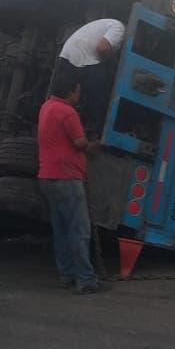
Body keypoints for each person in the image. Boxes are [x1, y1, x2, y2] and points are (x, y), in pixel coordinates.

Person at [37, 71, 106, 294]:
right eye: (78, 90)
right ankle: (86, 280)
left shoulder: (47, 107)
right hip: (66, 178)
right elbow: (79, 142)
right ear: (70, 92)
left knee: (61, 229)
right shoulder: (68, 112)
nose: (80, 94)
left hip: (47, 176)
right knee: (80, 230)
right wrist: (93, 145)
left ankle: (66, 275)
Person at [56, 17, 125, 133]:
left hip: (67, 55)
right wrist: (111, 62)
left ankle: (62, 127)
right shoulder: (119, 28)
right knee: (99, 95)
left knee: (68, 96)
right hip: (83, 57)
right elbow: (102, 48)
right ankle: (98, 131)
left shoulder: (105, 24)